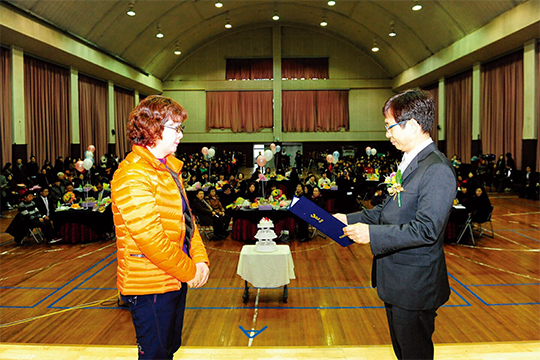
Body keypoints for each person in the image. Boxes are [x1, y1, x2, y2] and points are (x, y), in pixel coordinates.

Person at [334, 89, 456, 360]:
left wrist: (371, 235)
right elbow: (385, 212)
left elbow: (426, 229)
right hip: (398, 282)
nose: (387, 134)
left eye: (390, 127)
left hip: (415, 285)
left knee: (414, 354)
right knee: (403, 352)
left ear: (412, 125)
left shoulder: (436, 169)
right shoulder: (408, 163)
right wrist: (347, 219)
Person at [111, 95, 209, 360]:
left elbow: (187, 222)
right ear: (152, 128)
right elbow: (151, 240)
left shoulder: (168, 170)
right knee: (155, 355)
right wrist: (190, 271)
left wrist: (199, 259)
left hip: (174, 278)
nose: (180, 135)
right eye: (175, 128)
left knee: (169, 349)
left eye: (180, 128)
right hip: (150, 286)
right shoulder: (132, 175)